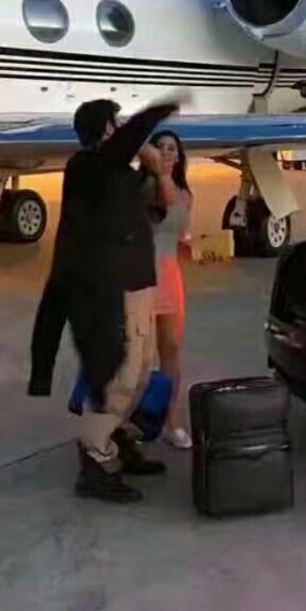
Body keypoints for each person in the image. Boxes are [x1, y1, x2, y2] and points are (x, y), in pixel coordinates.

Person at [28, 95, 185, 504]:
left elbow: (162, 206)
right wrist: (159, 112)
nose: (121, 129)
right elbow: (125, 145)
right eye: (115, 123)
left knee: (143, 371)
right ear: (105, 130)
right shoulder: (86, 167)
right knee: (121, 377)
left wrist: (156, 168)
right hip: (114, 287)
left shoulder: (118, 173)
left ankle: (117, 440)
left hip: (140, 282)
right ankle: (95, 462)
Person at [144, 130, 194, 449]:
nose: (165, 152)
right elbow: (165, 203)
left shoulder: (186, 194)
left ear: (179, 156)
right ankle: (126, 421)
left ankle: (171, 422)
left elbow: (179, 236)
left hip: (169, 273)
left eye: (171, 148)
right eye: (160, 147)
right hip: (140, 274)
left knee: (171, 350)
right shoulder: (144, 188)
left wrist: (196, 248)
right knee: (135, 354)